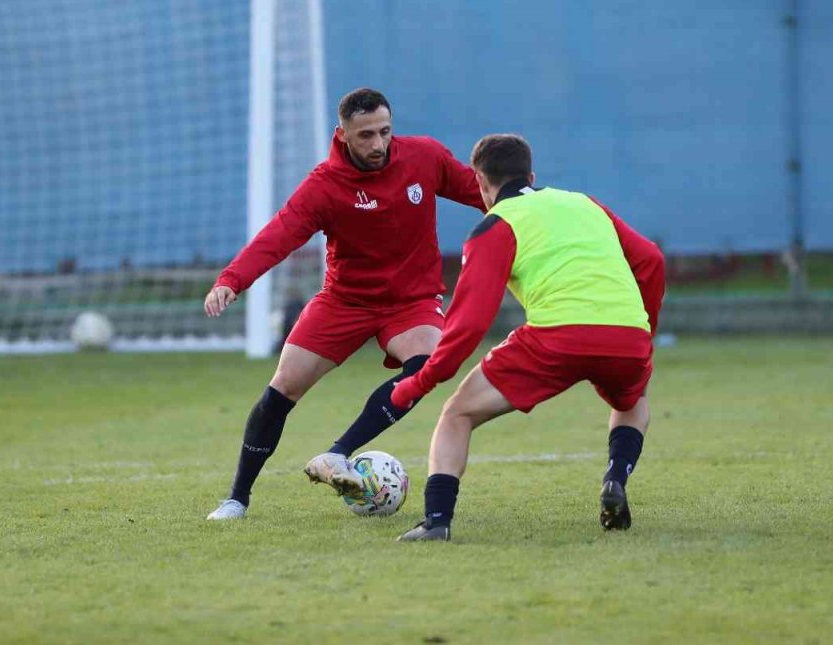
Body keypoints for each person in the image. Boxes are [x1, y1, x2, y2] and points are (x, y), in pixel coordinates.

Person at [204, 88, 486, 520]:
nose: (377, 145)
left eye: (385, 132)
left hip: (411, 301)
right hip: (345, 300)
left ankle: (338, 454)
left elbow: (482, 191)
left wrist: (533, 200)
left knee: (427, 362)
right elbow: (279, 236)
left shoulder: (424, 158)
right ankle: (237, 498)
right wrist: (232, 279)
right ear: (343, 135)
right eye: (366, 135)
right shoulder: (324, 186)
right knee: (284, 386)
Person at [390, 133, 665, 541]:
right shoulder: (584, 204)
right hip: (627, 334)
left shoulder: (496, 226)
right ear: (531, 176)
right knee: (633, 402)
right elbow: (651, 261)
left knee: (457, 414)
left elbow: (468, 325)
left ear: (481, 182)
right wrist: (641, 333)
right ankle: (615, 477)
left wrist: (417, 383)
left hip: (556, 338)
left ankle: (436, 521)